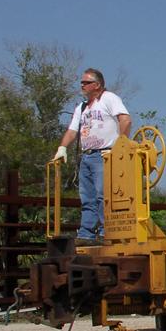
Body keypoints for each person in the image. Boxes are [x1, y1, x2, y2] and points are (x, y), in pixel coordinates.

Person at [53, 68, 131, 245]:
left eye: (86, 82)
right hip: (87, 156)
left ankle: (106, 233)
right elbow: (72, 131)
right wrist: (62, 148)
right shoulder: (81, 107)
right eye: (82, 82)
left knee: (104, 195)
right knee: (87, 197)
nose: (82, 85)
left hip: (104, 155)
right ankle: (87, 234)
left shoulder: (109, 99)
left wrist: (119, 147)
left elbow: (125, 120)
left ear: (97, 85)